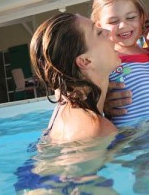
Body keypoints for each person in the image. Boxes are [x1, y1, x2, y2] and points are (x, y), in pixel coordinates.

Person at [30, 12, 120, 143]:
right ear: (85, 61)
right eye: (98, 33)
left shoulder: (64, 102)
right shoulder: (95, 129)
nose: (108, 31)